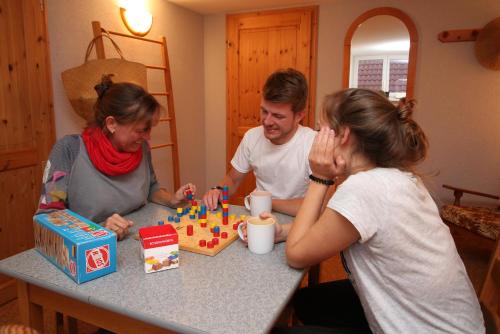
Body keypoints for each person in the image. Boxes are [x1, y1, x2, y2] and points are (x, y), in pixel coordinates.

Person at [270, 88, 484, 333]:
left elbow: (296, 255)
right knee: (307, 302)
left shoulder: (365, 188)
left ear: (344, 136)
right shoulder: (397, 176)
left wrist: (320, 177)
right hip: (462, 323)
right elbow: (337, 228)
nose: (317, 139)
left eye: (321, 130)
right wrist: (285, 231)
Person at [37, 75, 196, 240]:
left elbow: (151, 188)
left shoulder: (141, 147)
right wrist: (98, 230)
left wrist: (172, 199)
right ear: (112, 123)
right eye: (141, 130)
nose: (148, 137)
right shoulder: (68, 150)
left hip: (134, 240)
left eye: (149, 129)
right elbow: (49, 216)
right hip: (92, 250)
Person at [202, 68, 316, 216]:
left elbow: (318, 207)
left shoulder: (314, 144)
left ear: (299, 115)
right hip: (257, 216)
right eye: (264, 111)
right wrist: (217, 190)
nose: (267, 121)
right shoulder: (251, 137)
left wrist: (265, 202)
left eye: (278, 116)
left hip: (297, 222)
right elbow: (232, 179)